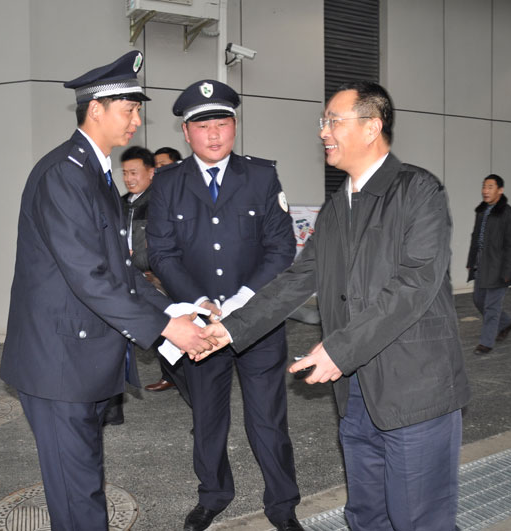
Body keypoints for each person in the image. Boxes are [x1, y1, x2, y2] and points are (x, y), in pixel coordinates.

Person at [200, 80, 470, 531]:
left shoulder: (418, 191)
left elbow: (414, 285)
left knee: (419, 519)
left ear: (372, 127)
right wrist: (230, 328)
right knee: (365, 515)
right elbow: (297, 280)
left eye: (332, 121)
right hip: (356, 393)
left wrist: (338, 350)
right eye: (322, 122)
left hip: (416, 391)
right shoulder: (336, 209)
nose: (323, 131)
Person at [0, 51, 215, 531]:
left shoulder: (93, 173)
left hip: (81, 361)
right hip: (59, 367)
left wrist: (175, 312)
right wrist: (166, 329)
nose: (137, 120)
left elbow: (121, 271)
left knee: (84, 484)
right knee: (77, 497)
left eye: (137, 110)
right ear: (95, 109)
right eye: (129, 109)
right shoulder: (64, 174)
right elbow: (89, 276)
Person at [146, 80, 303, 531]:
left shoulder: (261, 176)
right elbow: (162, 253)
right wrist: (199, 301)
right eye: (203, 126)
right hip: (199, 324)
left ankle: (282, 506)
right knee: (208, 419)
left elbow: (280, 248)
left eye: (222, 123)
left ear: (234, 126)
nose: (214, 134)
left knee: (268, 420)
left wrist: (238, 303)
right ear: (185, 131)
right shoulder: (168, 183)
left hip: (257, 323)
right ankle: (213, 495)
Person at [121, 146, 187, 395]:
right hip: (131, 278)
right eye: (125, 173)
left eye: (134, 172)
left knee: (168, 333)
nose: (129, 178)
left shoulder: (161, 202)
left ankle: (190, 388)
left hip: (156, 279)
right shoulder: (121, 203)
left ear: (151, 173)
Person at [465, 174, 511, 355]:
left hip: (499, 267)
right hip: (481, 264)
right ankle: (506, 323)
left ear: (500, 190)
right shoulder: (482, 211)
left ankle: (486, 342)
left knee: (491, 306)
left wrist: (507, 272)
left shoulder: (509, 215)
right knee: (478, 300)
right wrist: (471, 261)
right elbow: (475, 238)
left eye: (490, 187)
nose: (485, 191)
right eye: (484, 187)